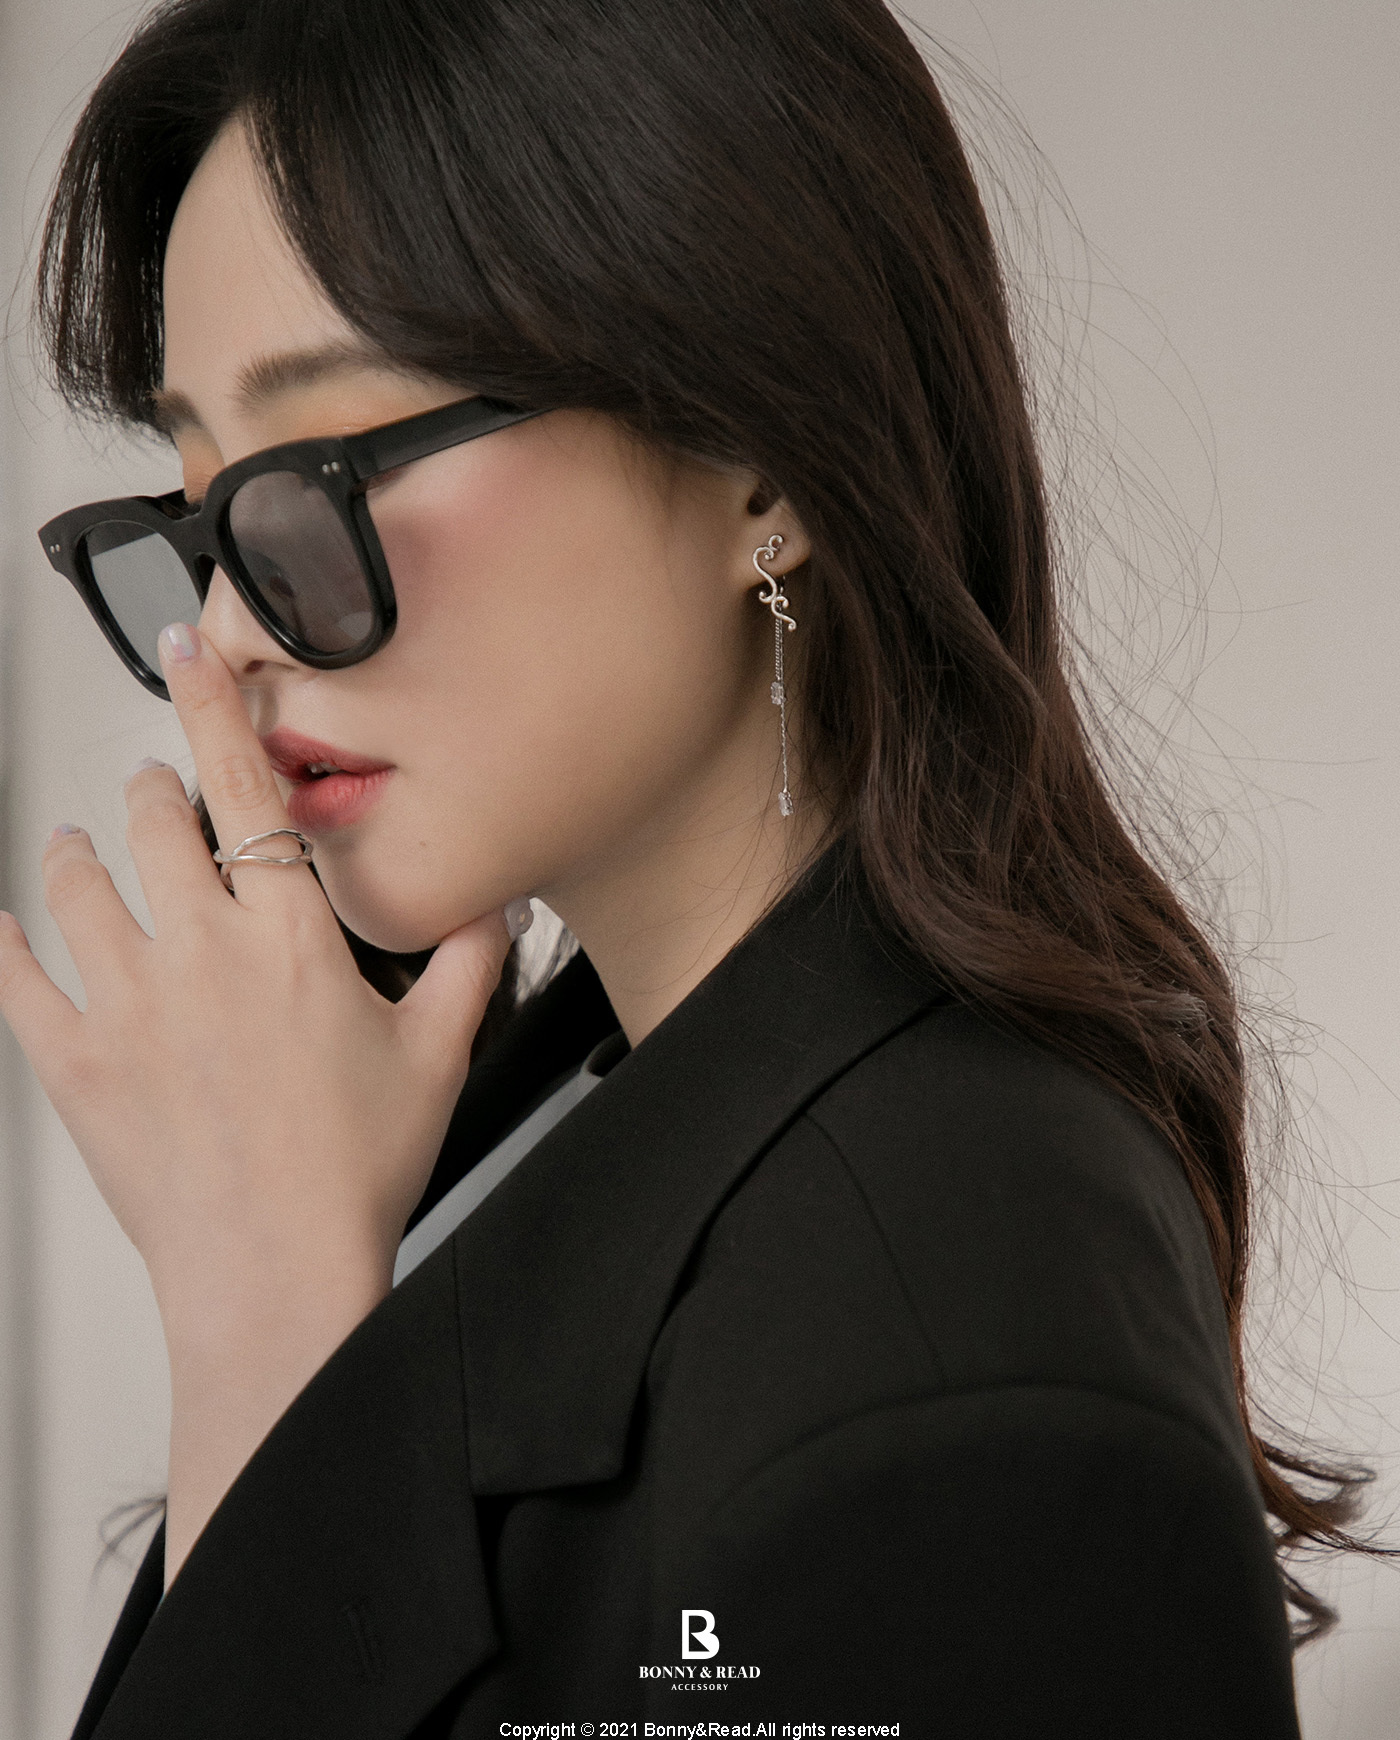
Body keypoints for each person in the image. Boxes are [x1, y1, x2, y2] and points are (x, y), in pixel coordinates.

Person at [0, 0, 1365, 1733]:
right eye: (194, 513)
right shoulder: (587, 1091)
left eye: (311, 477)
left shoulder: (947, 1387)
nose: (226, 631)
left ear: (759, 467)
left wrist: (264, 1350)